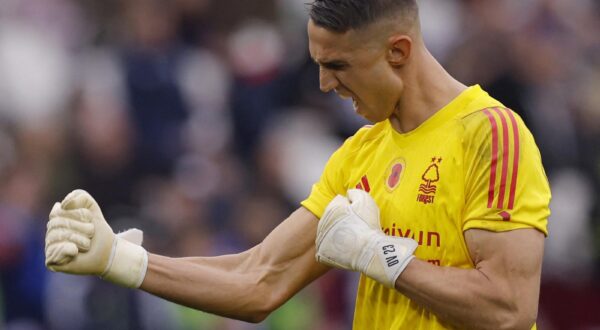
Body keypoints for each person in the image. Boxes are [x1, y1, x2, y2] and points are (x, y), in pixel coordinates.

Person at [44, 0, 551, 329]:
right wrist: (118, 259)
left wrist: (382, 257)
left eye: (338, 66)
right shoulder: (359, 154)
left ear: (398, 51)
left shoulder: (491, 134)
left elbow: (508, 307)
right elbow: (259, 278)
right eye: (319, 66)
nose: (326, 85)